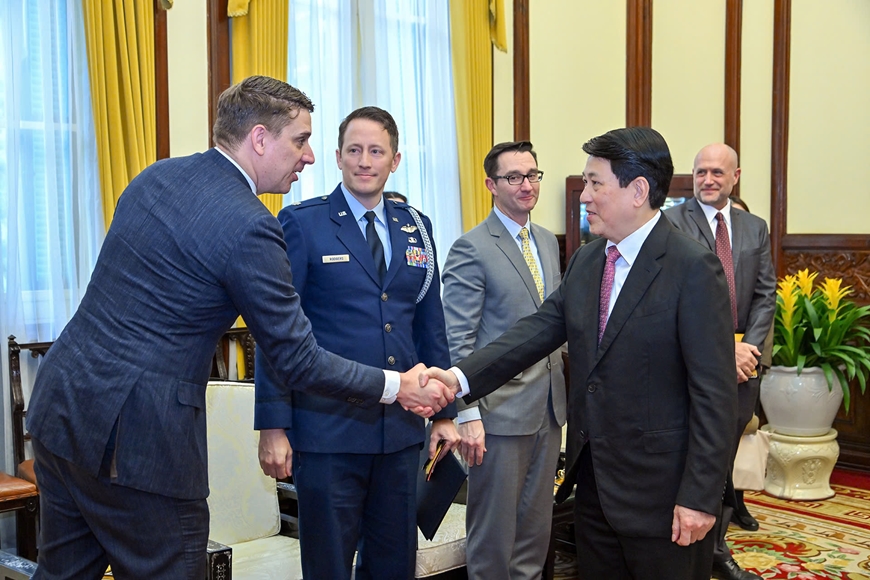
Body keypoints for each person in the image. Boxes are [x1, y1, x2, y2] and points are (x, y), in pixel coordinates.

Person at [25, 76, 453, 580]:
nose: (309, 156)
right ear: (259, 139)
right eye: (300, 140)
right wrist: (396, 386)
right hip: (139, 441)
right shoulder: (250, 225)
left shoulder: (156, 176)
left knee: (63, 572)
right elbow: (297, 357)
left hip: (62, 407)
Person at [424, 127, 738, 580]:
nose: (584, 196)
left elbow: (714, 395)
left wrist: (699, 497)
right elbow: (535, 333)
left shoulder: (693, 267)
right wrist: (458, 379)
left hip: (664, 498)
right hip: (594, 488)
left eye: (594, 183)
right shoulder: (590, 260)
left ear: (637, 191)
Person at [255, 106, 460, 580]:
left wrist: (446, 412)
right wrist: (273, 425)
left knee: (393, 565)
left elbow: (429, 324)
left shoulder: (416, 227)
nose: (364, 161)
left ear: (395, 160)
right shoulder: (302, 223)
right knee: (328, 566)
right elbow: (276, 332)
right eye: (354, 150)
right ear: (337, 157)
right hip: (328, 432)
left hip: (399, 435)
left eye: (376, 151)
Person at [441, 140, 566, 579]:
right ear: (491, 185)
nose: (526, 185)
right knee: (494, 539)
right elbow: (458, 340)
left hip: (549, 409)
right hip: (497, 416)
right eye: (514, 177)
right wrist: (466, 413)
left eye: (532, 175)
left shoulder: (546, 241)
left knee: (534, 535)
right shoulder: (471, 248)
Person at [665, 144, 776, 580]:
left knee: (724, 462)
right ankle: (685, 549)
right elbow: (674, 295)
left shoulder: (754, 227)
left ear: (735, 177)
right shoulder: (672, 222)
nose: (707, 180)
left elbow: (765, 294)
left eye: (716, 172)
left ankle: (715, 547)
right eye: (700, 172)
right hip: (691, 365)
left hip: (744, 367)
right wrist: (723, 348)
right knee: (691, 459)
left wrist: (748, 349)